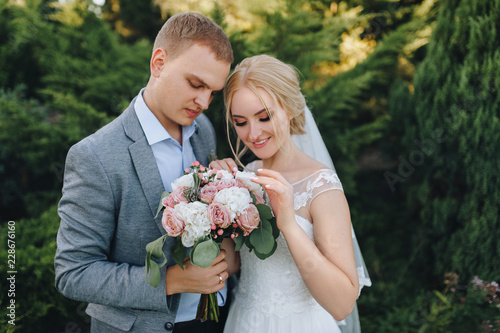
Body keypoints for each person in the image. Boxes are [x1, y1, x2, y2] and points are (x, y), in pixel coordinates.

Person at [54, 12, 239, 333]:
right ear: (158, 63)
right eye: (196, 84)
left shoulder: (202, 130)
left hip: (218, 319)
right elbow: (73, 273)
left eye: (213, 92)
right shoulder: (94, 156)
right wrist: (171, 280)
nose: (204, 102)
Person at [210, 55, 371, 333]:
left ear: (291, 109)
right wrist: (214, 197)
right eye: (240, 122)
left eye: (264, 117)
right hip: (244, 322)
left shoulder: (321, 187)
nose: (253, 133)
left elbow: (342, 303)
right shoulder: (244, 177)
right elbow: (232, 265)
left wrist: (287, 223)